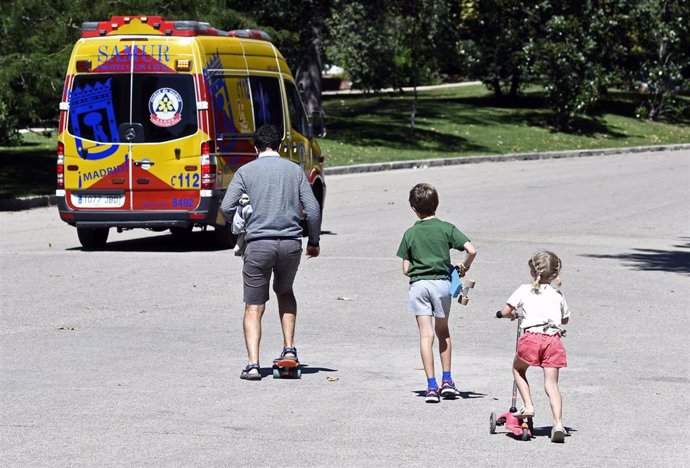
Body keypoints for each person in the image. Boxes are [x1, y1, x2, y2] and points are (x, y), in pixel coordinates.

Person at [220, 124, 321, 381]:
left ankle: (253, 365)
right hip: (289, 244)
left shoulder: (246, 172)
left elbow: (226, 206)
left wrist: (239, 226)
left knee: (254, 305)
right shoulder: (295, 171)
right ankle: (289, 349)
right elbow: (313, 208)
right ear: (279, 144)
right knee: (285, 292)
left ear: (255, 147)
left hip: (258, 245)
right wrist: (314, 241)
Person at [396, 183, 477, 403]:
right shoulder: (446, 228)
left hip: (419, 286)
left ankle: (431, 386)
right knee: (443, 331)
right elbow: (471, 250)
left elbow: (405, 269)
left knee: (426, 335)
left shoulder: (410, 233)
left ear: (413, 208)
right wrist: (463, 267)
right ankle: (447, 381)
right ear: (437, 204)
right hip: (441, 285)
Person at [496, 251, 570, 443]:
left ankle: (528, 405)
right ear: (556, 272)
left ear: (532, 270)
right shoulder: (557, 294)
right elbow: (566, 319)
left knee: (518, 369)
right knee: (552, 384)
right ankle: (558, 423)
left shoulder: (523, 290)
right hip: (553, 339)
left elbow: (506, 311)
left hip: (531, 338)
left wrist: (507, 315)